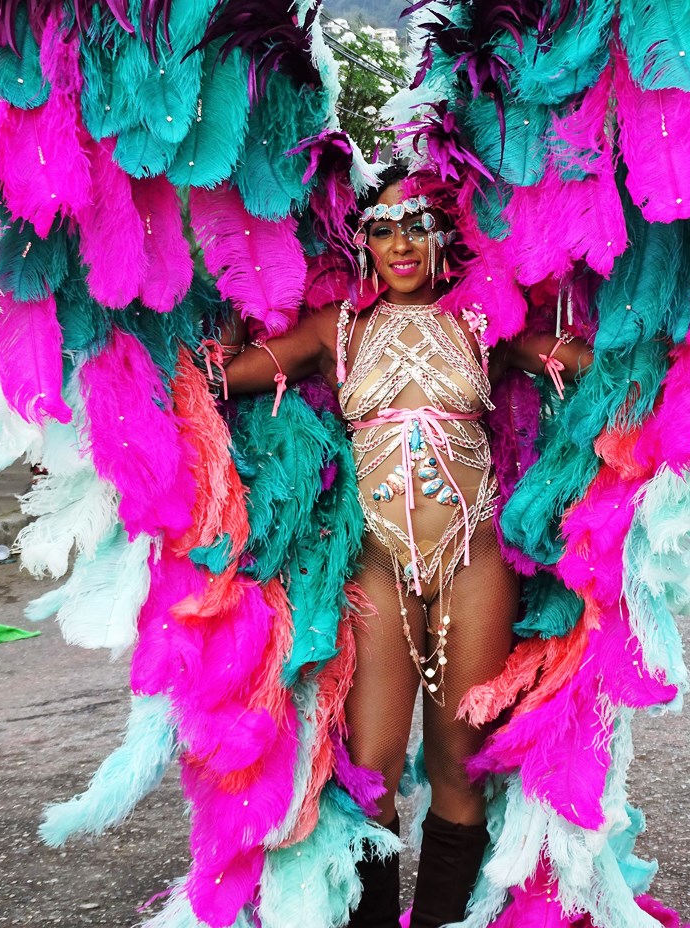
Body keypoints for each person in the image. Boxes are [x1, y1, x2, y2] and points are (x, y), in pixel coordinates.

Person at [223, 166, 592, 928]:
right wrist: (226, 284)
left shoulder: (482, 320)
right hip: (377, 565)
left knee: (461, 768)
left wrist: (657, 348)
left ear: (444, 237)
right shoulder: (339, 330)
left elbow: (587, 366)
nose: (400, 244)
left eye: (417, 225)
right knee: (372, 770)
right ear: (363, 240)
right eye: (383, 228)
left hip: (475, 561)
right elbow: (228, 379)